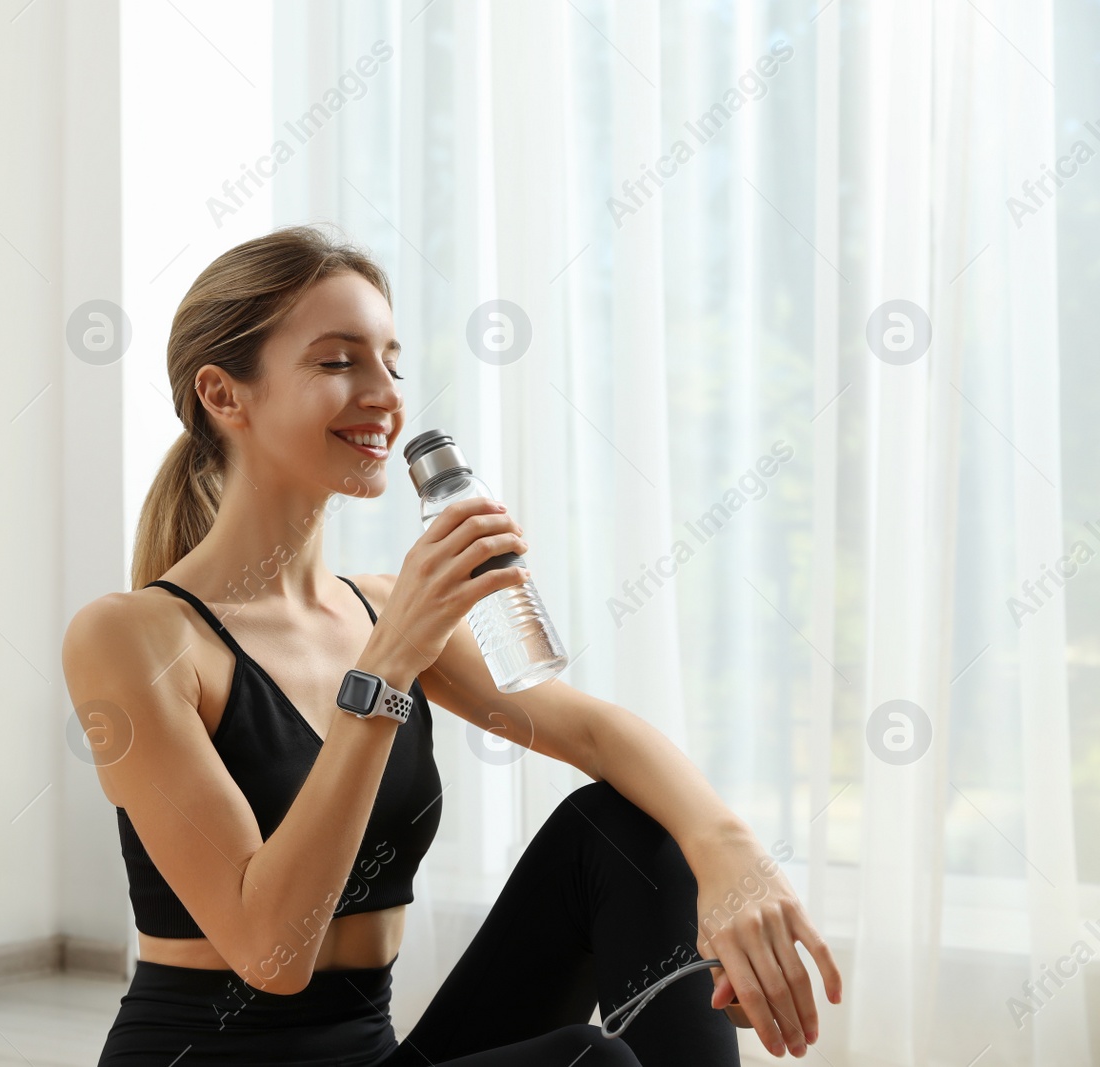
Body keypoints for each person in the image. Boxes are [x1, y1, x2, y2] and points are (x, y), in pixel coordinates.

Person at [61, 224, 842, 1065]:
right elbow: (269, 952)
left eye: (391, 362)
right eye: (336, 361)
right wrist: (387, 663)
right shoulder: (133, 635)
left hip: (373, 1054)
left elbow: (594, 734)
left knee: (629, 828)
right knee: (594, 1062)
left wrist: (731, 857)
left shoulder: (383, 608)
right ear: (225, 395)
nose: (385, 393)